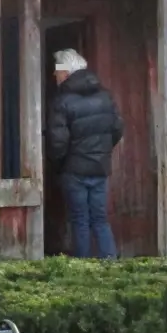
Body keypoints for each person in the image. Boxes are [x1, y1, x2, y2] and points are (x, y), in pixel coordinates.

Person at [46, 49, 123, 259]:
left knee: (79, 219)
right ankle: (110, 261)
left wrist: (59, 165)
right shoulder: (105, 97)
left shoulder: (62, 101)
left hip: (74, 170)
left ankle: (82, 268)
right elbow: (117, 129)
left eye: (57, 71)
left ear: (67, 73)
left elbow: (57, 142)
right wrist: (101, 151)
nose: (55, 75)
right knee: (100, 218)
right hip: (99, 168)